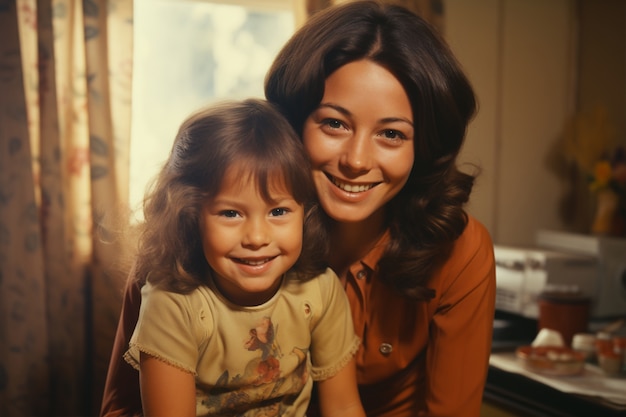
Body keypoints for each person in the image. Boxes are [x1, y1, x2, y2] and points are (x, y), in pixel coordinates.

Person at [100, 2, 496, 416]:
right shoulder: (184, 241)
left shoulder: (460, 252)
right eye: (334, 124)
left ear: (423, 147)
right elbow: (120, 408)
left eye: (392, 133)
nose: (357, 160)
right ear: (292, 123)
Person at [119, 98, 365, 417]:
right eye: (231, 213)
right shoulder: (174, 303)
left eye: (278, 211)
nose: (257, 238)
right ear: (191, 215)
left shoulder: (321, 290)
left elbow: (344, 407)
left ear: (305, 211)